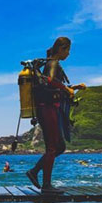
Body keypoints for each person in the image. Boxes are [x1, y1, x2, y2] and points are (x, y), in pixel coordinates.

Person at [25, 37, 86, 194]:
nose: (68, 54)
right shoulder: (52, 63)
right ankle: (46, 185)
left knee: (60, 147)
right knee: (53, 147)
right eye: (68, 50)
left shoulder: (51, 63)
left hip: (48, 108)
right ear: (61, 49)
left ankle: (34, 172)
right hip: (47, 108)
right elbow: (50, 80)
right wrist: (66, 90)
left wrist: (73, 87)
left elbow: (52, 84)